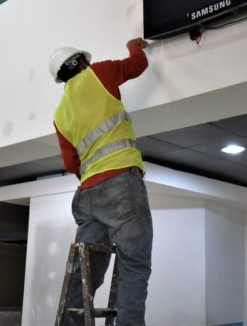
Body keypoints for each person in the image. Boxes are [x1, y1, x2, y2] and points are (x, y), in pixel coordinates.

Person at [49, 38, 153, 326]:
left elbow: (71, 163)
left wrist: (93, 176)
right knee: (134, 266)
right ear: (82, 62)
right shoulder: (100, 73)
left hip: (87, 195)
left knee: (85, 274)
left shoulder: (60, 114)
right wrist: (135, 45)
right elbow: (138, 65)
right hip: (121, 182)